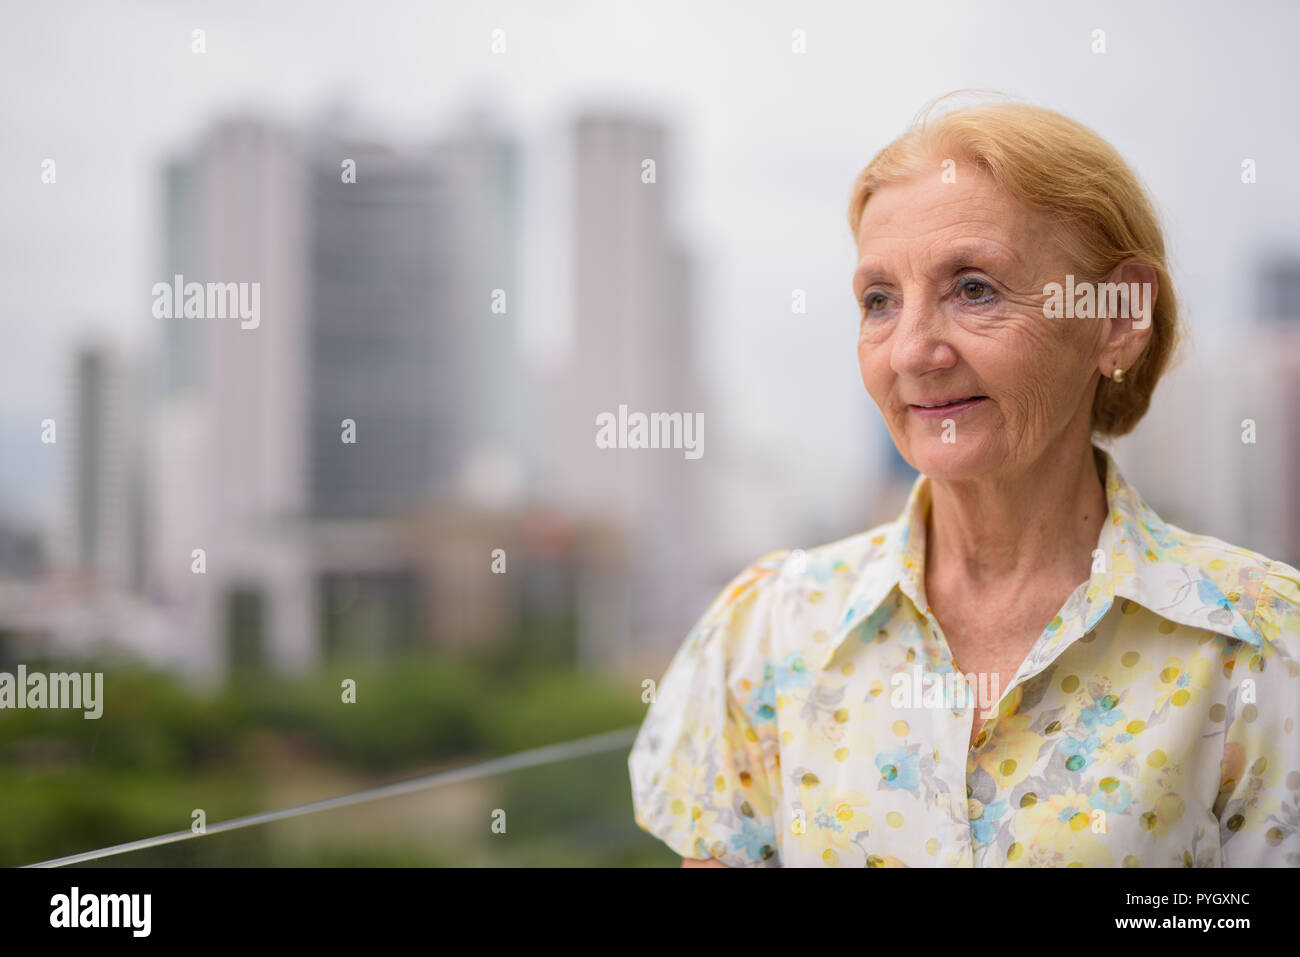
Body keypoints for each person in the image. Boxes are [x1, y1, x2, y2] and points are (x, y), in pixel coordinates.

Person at [627, 96, 1300, 867]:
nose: (912, 351)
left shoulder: (1262, 644)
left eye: (974, 288)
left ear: (1117, 316)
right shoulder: (767, 631)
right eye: (879, 301)